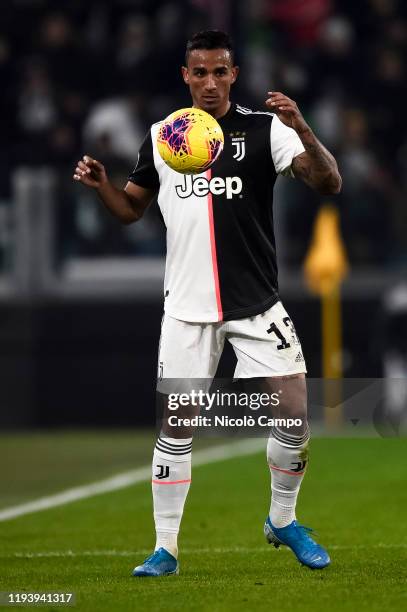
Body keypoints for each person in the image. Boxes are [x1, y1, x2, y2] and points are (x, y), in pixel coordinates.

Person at [73, 30, 341, 577]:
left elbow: (328, 182)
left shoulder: (266, 129)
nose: (211, 82)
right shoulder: (163, 136)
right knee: (177, 426)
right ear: (186, 76)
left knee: (295, 412)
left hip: (257, 304)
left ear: (234, 75)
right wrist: (103, 186)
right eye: (201, 72)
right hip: (187, 310)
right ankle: (165, 550)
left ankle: (282, 520)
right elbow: (130, 211)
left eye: (221, 72)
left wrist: (304, 130)